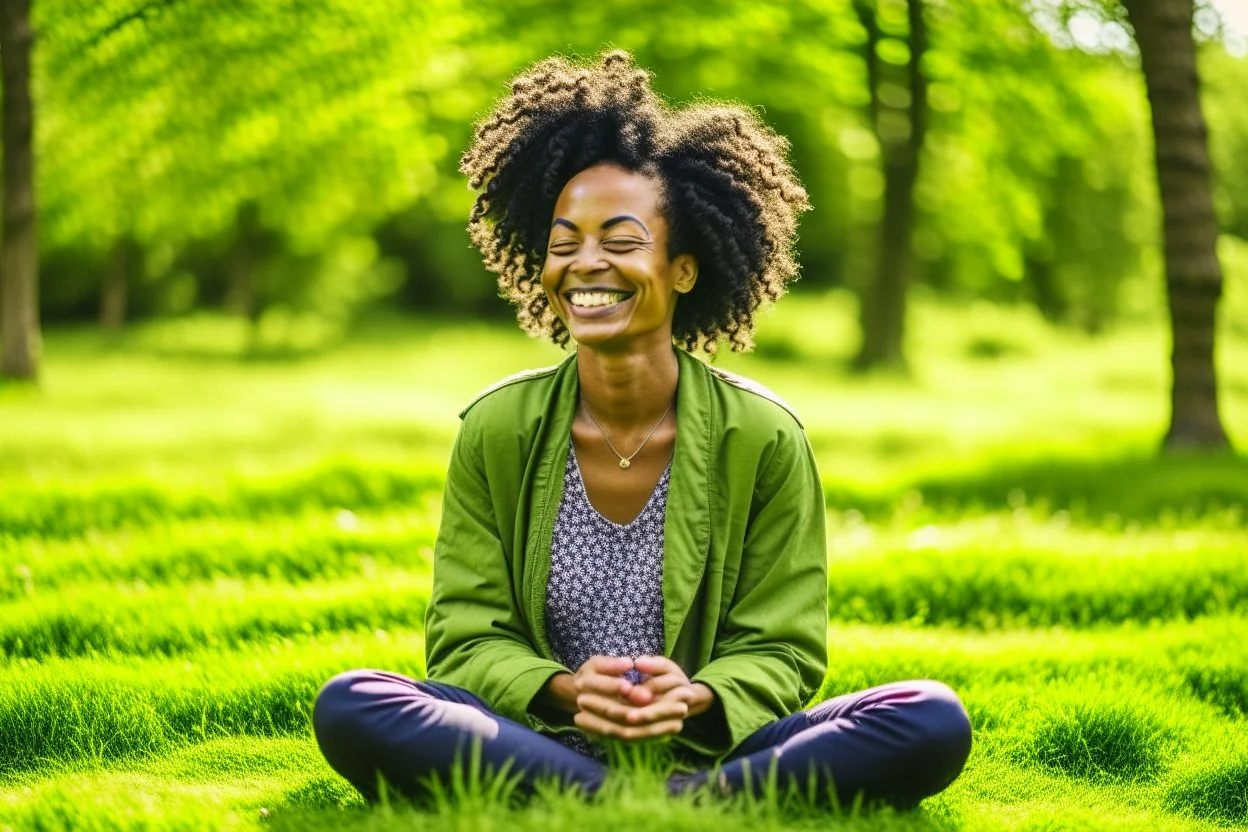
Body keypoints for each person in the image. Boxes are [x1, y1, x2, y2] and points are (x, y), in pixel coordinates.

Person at [312, 50, 971, 809]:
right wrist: (562, 690)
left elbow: (782, 646)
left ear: (683, 269)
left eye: (620, 242)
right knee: (354, 701)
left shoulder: (761, 436)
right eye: (564, 244)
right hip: (534, 738)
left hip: (707, 740)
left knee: (928, 716)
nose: (586, 264)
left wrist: (692, 696)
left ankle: (667, 795)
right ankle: (665, 803)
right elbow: (466, 635)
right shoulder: (497, 428)